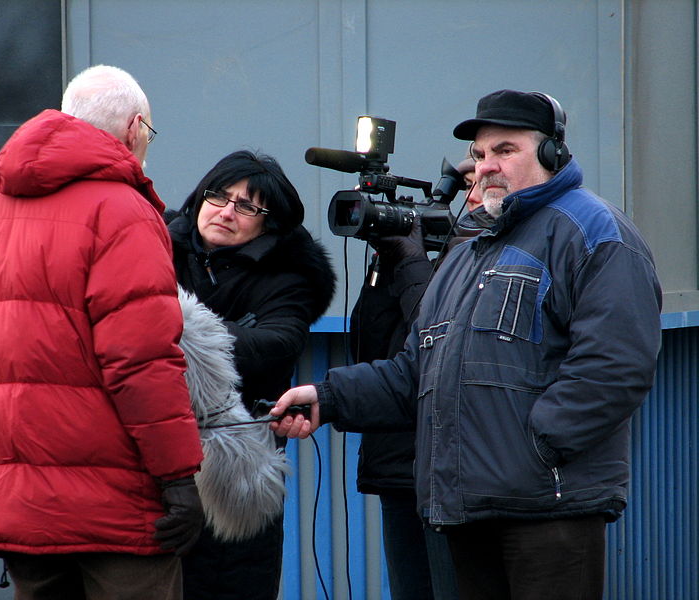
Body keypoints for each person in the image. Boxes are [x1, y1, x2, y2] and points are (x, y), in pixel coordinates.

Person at [271, 89, 662, 600]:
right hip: (466, 510)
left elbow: (615, 367)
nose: (486, 167)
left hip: (548, 509)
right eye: (479, 155)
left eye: (505, 150)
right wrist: (328, 397)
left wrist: (538, 448)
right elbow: (416, 371)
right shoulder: (467, 252)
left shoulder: (596, 232)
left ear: (552, 154)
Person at [0, 64, 204, 600]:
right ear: (135, 128)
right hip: (116, 507)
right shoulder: (125, 211)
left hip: (21, 506)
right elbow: (141, 361)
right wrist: (179, 479)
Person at [166, 150, 336, 599]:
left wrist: (175, 323)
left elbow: (277, 345)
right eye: (218, 195)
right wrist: (235, 331)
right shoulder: (151, 243)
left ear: (269, 223)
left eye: (246, 206)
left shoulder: (289, 276)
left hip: (234, 476)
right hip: (153, 464)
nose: (225, 212)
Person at [350, 157, 492, 600]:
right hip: (400, 465)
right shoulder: (437, 258)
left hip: (456, 472)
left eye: (479, 185)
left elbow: (439, 340)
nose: (470, 196)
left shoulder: (490, 259)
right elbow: (370, 346)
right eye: (466, 184)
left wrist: (411, 260)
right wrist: (385, 264)